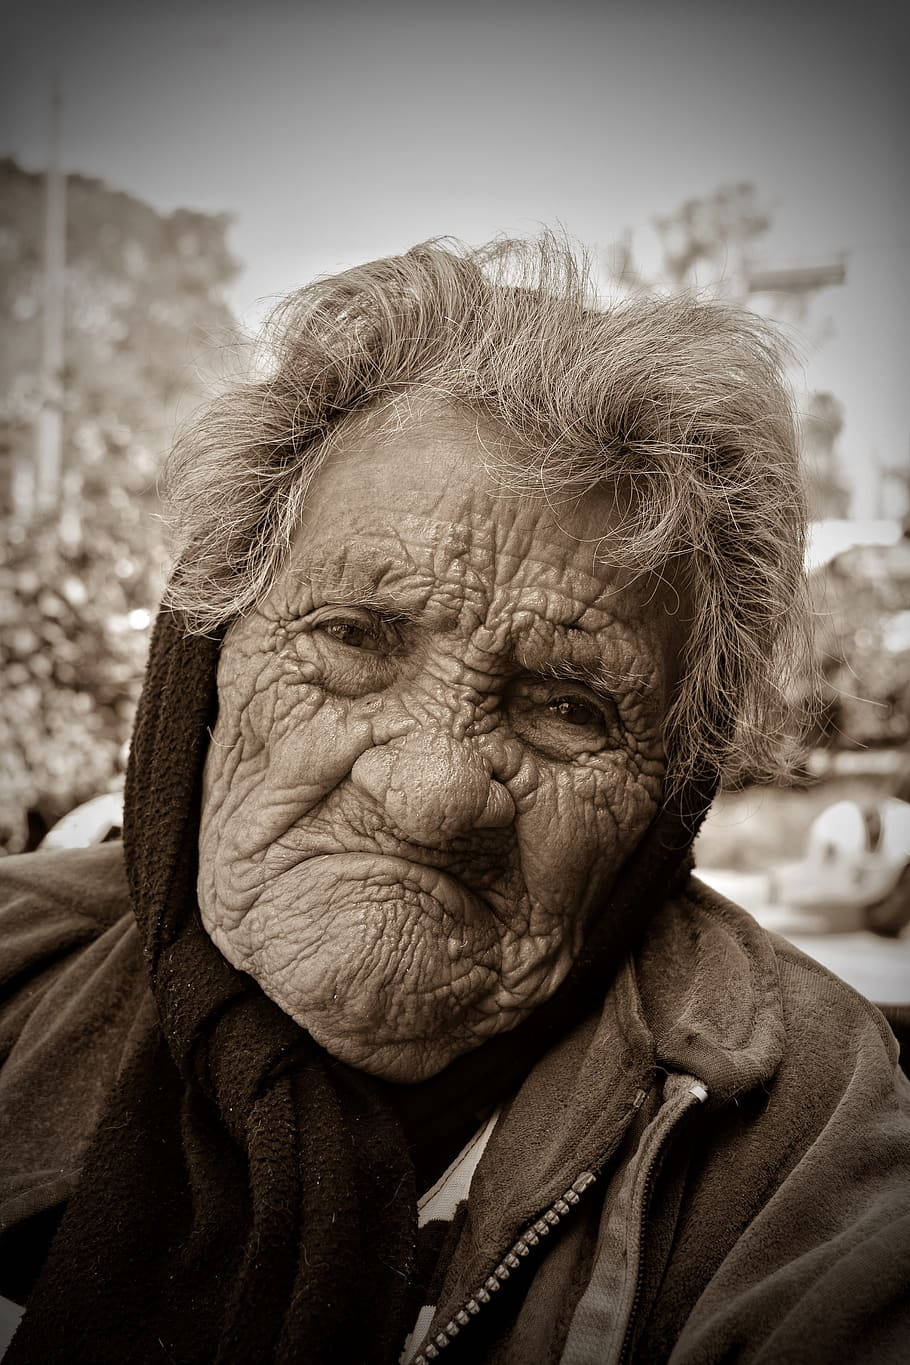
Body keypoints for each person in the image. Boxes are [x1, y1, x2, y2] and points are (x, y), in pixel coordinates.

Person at [0, 238, 907, 1365]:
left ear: (669, 795)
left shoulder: (784, 1125)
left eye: (569, 709)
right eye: (352, 640)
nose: (432, 796)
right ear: (207, 663)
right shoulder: (16, 965)